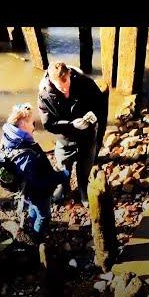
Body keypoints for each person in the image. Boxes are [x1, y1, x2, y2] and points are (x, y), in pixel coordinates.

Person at [37, 61, 102, 206]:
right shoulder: (44, 95)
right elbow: (48, 124)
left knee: (85, 166)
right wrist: (71, 125)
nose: (66, 90)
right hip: (65, 139)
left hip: (88, 135)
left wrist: (94, 116)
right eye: (61, 88)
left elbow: (100, 103)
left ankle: (83, 190)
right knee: (63, 165)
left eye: (67, 84)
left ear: (70, 74)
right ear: (52, 82)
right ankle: (64, 187)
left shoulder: (84, 82)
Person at [0, 103, 68, 239]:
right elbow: (38, 184)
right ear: (23, 124)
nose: (34, 127)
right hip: (37, 193)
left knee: (33, 207)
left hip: (27, 191)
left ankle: (31, 220)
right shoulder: (27, 156)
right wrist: (61, 176)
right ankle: (38, 236)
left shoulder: (8, 138)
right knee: (44, 216)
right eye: (33, 123)